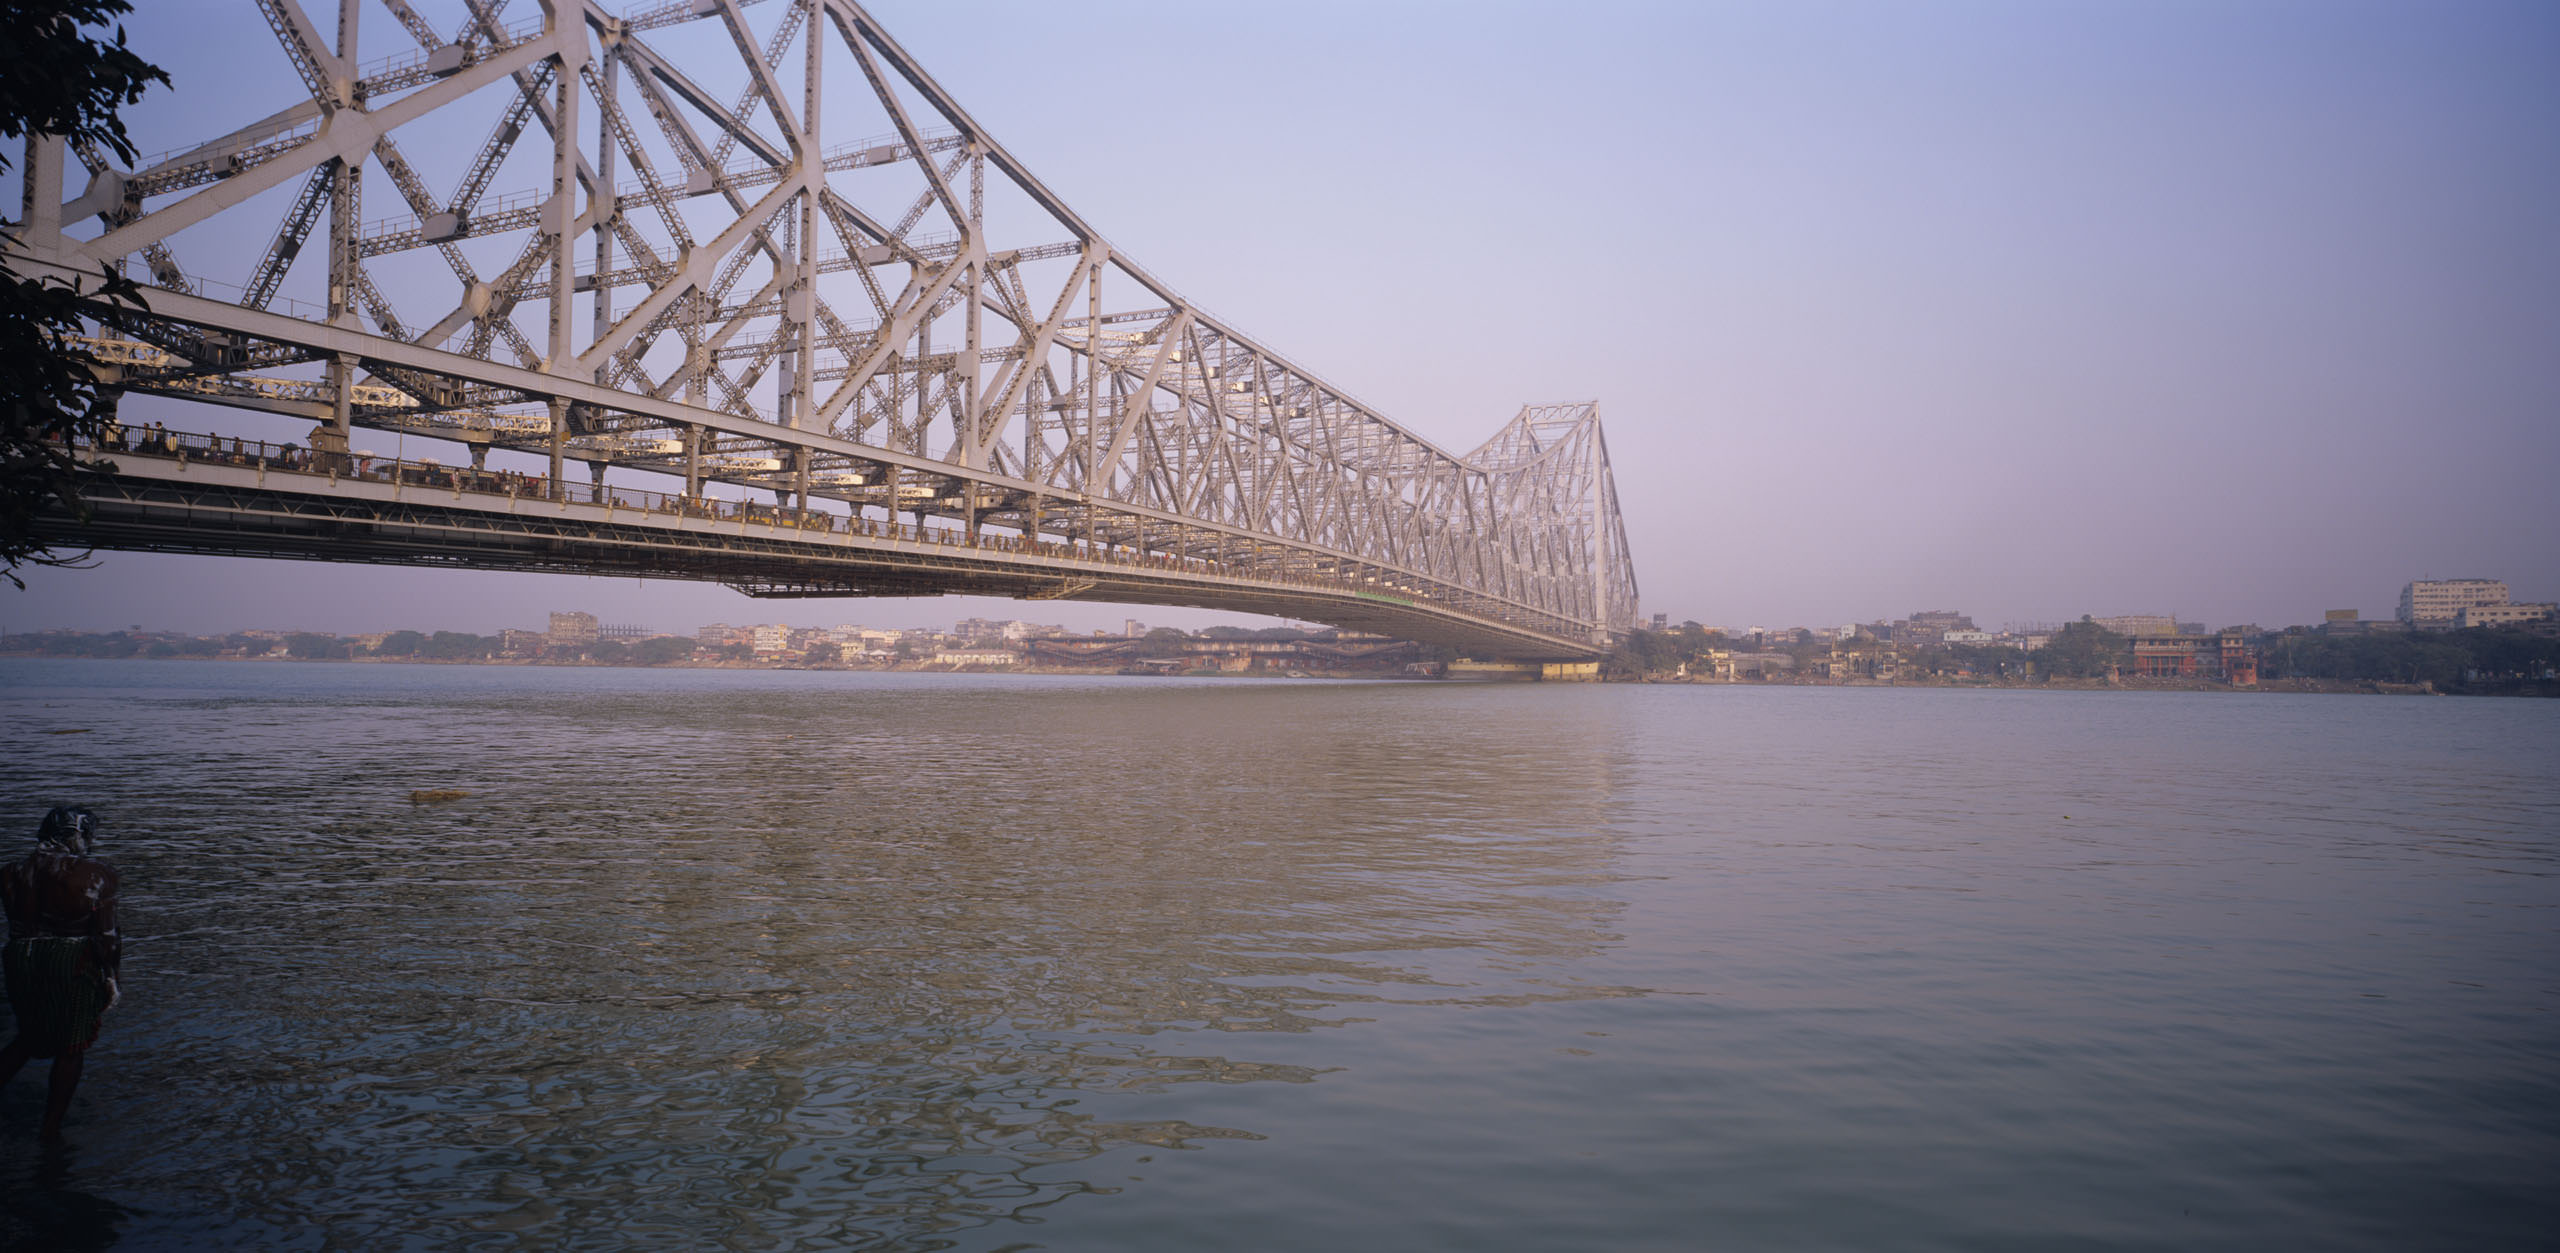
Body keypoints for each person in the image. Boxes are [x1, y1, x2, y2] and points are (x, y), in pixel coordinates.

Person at [0, 808, 121, 1141]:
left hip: (19, 956)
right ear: (77, 836)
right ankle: (50, 1131)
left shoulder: (10, 872)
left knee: (28, 1036)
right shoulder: (97, 874)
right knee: (72, 1046)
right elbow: (106, 937)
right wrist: (112, 978)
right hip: (70, 959)